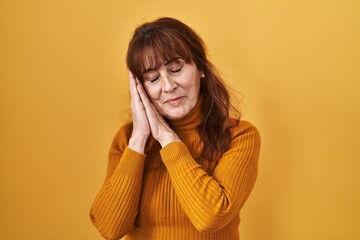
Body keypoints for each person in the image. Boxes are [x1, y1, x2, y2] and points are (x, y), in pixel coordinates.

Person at [89, 17, 261, 240]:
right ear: (139, 87)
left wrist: (166, 137)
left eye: (176, 69)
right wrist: (140, 138)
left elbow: (210, 217)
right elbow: (109, 228)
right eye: (152, 78)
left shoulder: (239, 136)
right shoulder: (128, 140)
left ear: (200, 67)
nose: (168, 86)